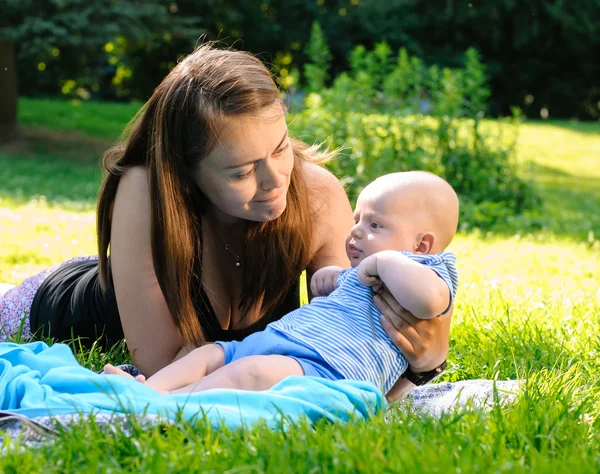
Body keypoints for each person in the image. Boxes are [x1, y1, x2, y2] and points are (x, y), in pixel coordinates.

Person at [0, 43, 452, 400]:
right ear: (186, 172)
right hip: (68, 300)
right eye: (240, 171)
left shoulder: (316, 195)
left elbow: (346, 334)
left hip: (149, 291)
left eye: (280, 149)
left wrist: (426, 359)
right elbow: (161, 365)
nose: (274, 179)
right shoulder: (147, 188)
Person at [105, 171, 459, 396]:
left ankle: (170, 402)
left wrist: (383, 260)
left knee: (254, 372)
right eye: (357, 219)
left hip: (325, 370)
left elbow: (430, 301)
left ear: (421, 245)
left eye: (375, 225)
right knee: (212, 353)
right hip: (279, 343)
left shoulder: (427, 268)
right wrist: (334, 279)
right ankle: (147, 389)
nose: (356, 232)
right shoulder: (369, 271)